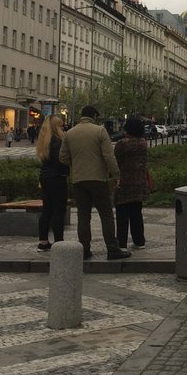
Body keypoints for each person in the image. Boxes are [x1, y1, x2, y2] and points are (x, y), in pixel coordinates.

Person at [59, 105, 130, 261]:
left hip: (78, 180)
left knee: (83, 216)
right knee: (106, 214)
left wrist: (77, 163)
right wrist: (116, 174)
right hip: (98, 179)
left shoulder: (70, 133)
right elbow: (108, 156)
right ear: (94, 116)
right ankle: (112, 249)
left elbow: (62, 158)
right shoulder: (100, 131)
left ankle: (84, 249)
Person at [114, 116, 150, 251]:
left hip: (124, 182)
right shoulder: (143, 143)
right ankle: (139, 240)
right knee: (136, 213)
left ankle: (121, 243)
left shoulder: (122, 144)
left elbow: (115, 161)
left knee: (122, 214)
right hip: (139, 182)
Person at [35, 114, 68, 252]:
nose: (64, 127)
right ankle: (59, 242)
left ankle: (43, 241)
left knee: (47, 210)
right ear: (56, 126)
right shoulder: (58, 141)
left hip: (45, 177)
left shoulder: (44, 141)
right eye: (61, 125)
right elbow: (60, 162)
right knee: (58, 211)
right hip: (57, 178)